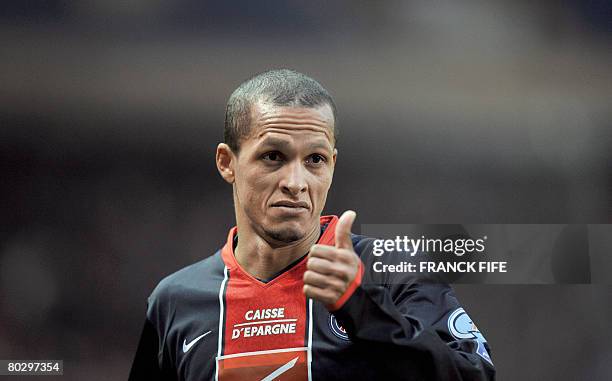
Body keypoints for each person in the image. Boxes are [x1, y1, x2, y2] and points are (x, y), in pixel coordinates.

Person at [129, 69, 496, 380]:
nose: (296, 181)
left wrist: (362, 308)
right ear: (227, 163)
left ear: (333, 165)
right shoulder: (174, 302)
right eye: (273, 156)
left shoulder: (390, 272)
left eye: (315, 159)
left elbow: (475, 375)